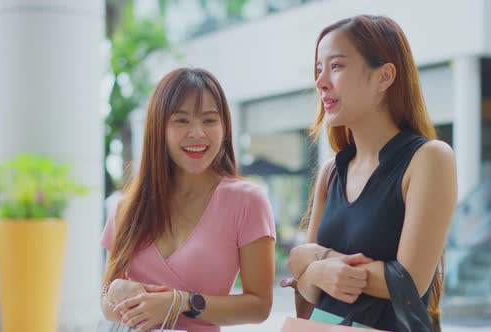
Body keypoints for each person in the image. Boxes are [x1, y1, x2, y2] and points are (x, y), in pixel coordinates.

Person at [287, 15, 458, 331]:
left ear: (384, 76)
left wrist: (320, 258)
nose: (321, 81)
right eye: (318, 69)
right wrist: (315, 272)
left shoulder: (429, 158)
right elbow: (305, 285)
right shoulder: (331, 173)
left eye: (336, 66)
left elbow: (408, 283)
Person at [100, 68, 276, 331]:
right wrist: (117, 289)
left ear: (224, 127)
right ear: (158, 128)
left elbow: (259, 306)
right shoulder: (127, 208)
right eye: (181, 121)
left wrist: (181, 302)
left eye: (209, 120)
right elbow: (106, 304)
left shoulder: (247, 201)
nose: (197, 133)